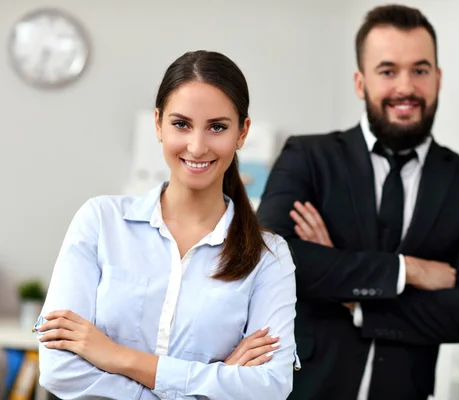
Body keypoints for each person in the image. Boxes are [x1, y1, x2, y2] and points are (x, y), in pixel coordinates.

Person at [256, 4, 459, 400]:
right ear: (360, 82)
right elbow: (270, 260)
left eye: (420, 70)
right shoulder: (308, 157)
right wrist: (407, 271)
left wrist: (354, 299)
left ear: (438, 78)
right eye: (388, 71)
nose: (405, 88)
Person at [34, 50, 299, 400]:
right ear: (157, 124)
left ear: (242, 132)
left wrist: (119, 357)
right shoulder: (100, 222)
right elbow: (59, 370)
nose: (197, 145)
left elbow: (271, 387)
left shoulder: (269, 257)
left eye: (217, 127)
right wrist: (215, 380)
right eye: (181, 124)